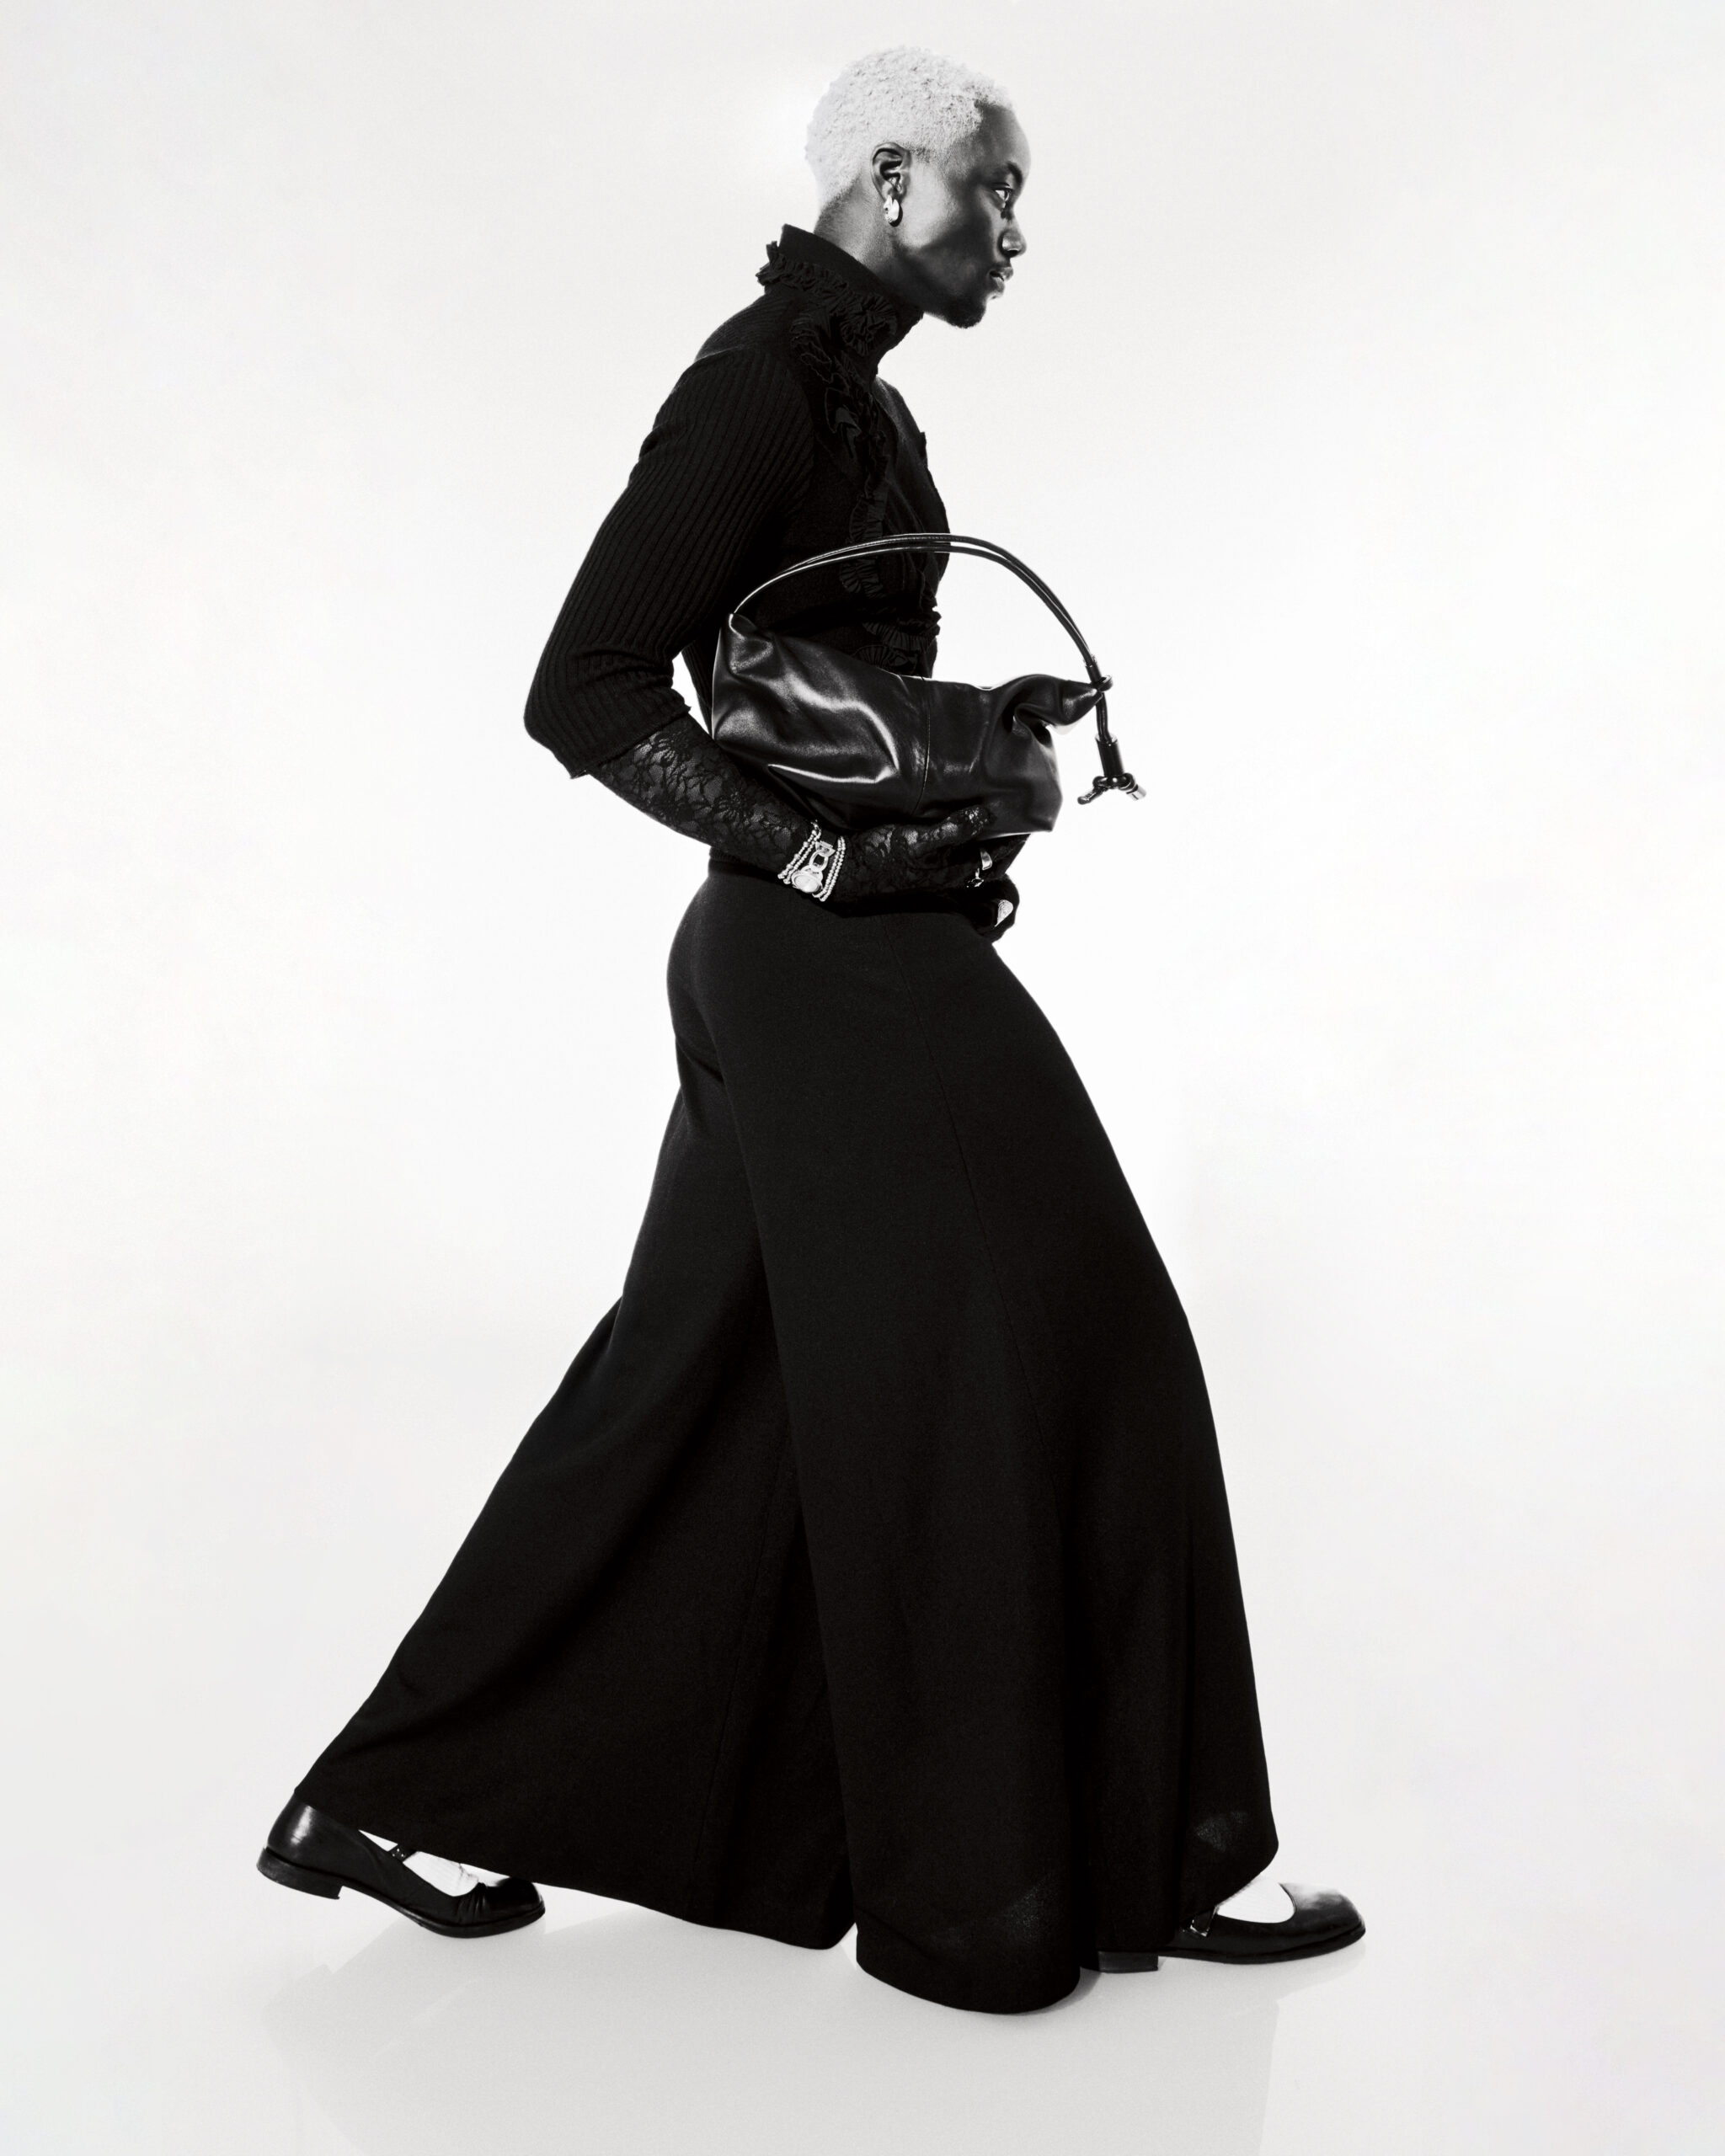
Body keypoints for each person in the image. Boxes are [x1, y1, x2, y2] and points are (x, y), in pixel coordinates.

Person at [258, 45, 1361, 2015]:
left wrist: (966, 744)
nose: (1011, 231)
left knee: (683, 1389)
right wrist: (821, 859)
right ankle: (1090, 1868)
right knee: (1090, 1333)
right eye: (990, 189)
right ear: (888, 173)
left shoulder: (866, 408)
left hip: (806, 960)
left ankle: (384, 1796)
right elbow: (585, 684)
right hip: (821, 963)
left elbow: (807, 687)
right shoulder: (760, 384)